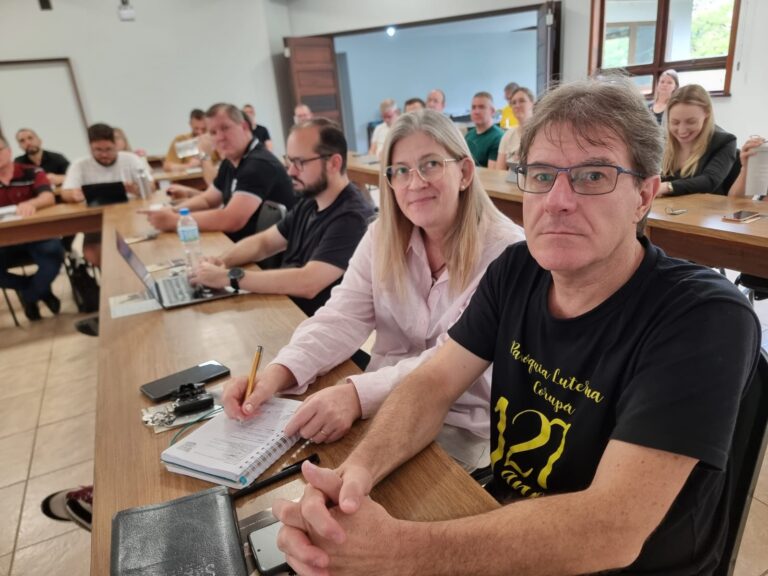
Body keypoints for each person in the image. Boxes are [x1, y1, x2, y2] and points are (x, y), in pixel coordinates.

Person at [273, 78, 762, 576]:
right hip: (502, 518)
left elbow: (610, 530)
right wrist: (355, 476)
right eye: (542, 175)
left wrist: (396, 551)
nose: (557, 200)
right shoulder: (516, 269)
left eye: (594, 175)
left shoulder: (703, 316)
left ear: (644, 195)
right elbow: (432, 384)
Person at [220, 110, 524, 469]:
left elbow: (447, 363)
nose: (415, 183)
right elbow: (341, 317)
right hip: (377, 406)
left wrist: (355, 396)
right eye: (401, 171)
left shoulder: (507, 252)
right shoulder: (381, 236)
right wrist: (276, 374)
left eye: (430, 165)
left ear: (465, 172)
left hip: (459, 427)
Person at [191, 117, 374, 316]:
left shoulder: (353, 218)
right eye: (289, 161)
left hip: (310, 324)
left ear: (334, 163)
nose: (291, 171)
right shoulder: (310, 200)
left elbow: (308, 283)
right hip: (285, 308)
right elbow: (264, 243)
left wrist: (229, 277)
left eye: (300, 162)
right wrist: (221, 262)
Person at [146, 103, 295, 244]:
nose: (219, 137)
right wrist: (173, 211)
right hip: (240, 244)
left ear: (244, 127)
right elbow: (208, 200)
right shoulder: (231, 161)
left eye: (225, 128)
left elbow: (231, 220)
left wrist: (174, 221)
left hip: (265, 254)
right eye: (213, 132)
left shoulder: (259, 164)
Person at [61, 123, 151, 266]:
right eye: (98, 150)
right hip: (97, 222)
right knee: (92, 252)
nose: (104, 154)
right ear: (90, 147)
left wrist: (137, 189)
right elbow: (65, 193)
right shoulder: (80, 165)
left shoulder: (131, 159)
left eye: (108, 149)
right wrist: (73, 195)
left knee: (141, 247)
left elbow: (151, 186)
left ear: (116, 145)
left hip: (132, 217)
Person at [0, 132, 63, 321]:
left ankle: (29, 296)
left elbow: (48, 197)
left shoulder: (32, 171)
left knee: (53, 252)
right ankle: (40, 291)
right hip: (4, 241)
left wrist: (31, 204)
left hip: (36, 235)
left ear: (9, 151)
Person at [658, 84, 738, 196]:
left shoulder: (724, 142)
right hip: (666, 205)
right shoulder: (662, 141)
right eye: (675, 122)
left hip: (706, 206)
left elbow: (709, 181)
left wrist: (667, 187)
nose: (682, 131)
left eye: (691, 122)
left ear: (707, 114)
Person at [162, 109, 219, 181]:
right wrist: (189, 166)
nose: (200, 132)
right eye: (196, 128)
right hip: (188, 181)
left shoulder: (215, 139)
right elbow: (167, 167)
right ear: (190, 124)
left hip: (213, 179)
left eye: (203, 129)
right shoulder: (181, 140)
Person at [495, 86, 535, 170]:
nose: (517, 105)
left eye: (522, 101)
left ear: (532, 103)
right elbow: (499, 170)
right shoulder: (508, 135)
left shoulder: (543, 133)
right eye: (513, 103)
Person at [465, 91, 504, 168]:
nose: (476, 112)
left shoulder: (498, 138)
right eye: (473, 107)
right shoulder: (468, 135)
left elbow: (492, 172)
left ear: (492, 111)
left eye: (481, 107)